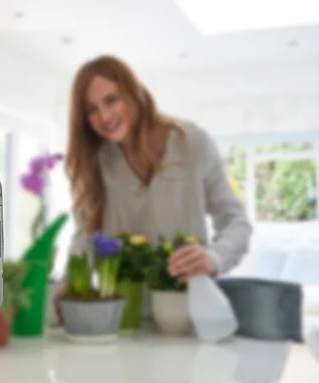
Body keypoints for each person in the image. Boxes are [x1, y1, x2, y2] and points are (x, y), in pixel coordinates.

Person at [55, 55, 252, 315]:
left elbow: (236, 220)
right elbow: (85, 236)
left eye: (111, 100)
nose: (104, 116)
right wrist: (71, 283)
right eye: (92, 110)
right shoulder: (97, 162)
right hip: (124, 318)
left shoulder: (190, 143)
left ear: (132, 93)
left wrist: (213, 258)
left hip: (188, 313)